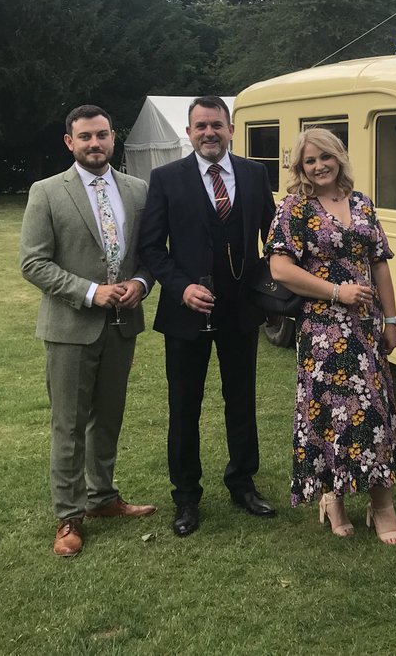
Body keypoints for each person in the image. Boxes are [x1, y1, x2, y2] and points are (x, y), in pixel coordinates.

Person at [19, 104, 156, 558]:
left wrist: (140, 283)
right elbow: (33, 263)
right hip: (70, 327)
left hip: (122, 327)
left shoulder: (138, 190)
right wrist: (90, 291)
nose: (94, 144)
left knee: (109, 418)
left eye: (102, 135)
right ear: (69, 142)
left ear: (113, 138)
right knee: (69, 424)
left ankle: (102, 499)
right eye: (85, 137)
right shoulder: (46, 192)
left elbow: (150, 254)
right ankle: (69, 517)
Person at [138, 96, 277, 538]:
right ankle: (186, 497)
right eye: (200, 126)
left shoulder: (256, 174)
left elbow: (272, 237)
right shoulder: (165, 179)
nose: (208, 133)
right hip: (186, 313)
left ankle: (242, 483)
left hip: (240, 311)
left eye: (216, 125)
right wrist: (181, 288)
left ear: (231, 128)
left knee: (241, 400)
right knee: (184, 407)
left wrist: (267, 285)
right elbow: (151, 248)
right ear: (188, 131)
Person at [266, 128, 396, 544]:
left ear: (339, 157)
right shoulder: (294, 208)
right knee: (329, 414)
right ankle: (333, 499)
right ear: (300, 167)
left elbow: (380, 263)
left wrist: (392, 321)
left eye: (324, 157)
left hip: (367, 329)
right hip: (324, 331)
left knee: (375, 413)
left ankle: (382, 505)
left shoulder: (362, 203)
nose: (318, 166)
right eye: (309, 161)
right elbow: (280, 268)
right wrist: (336, 291)